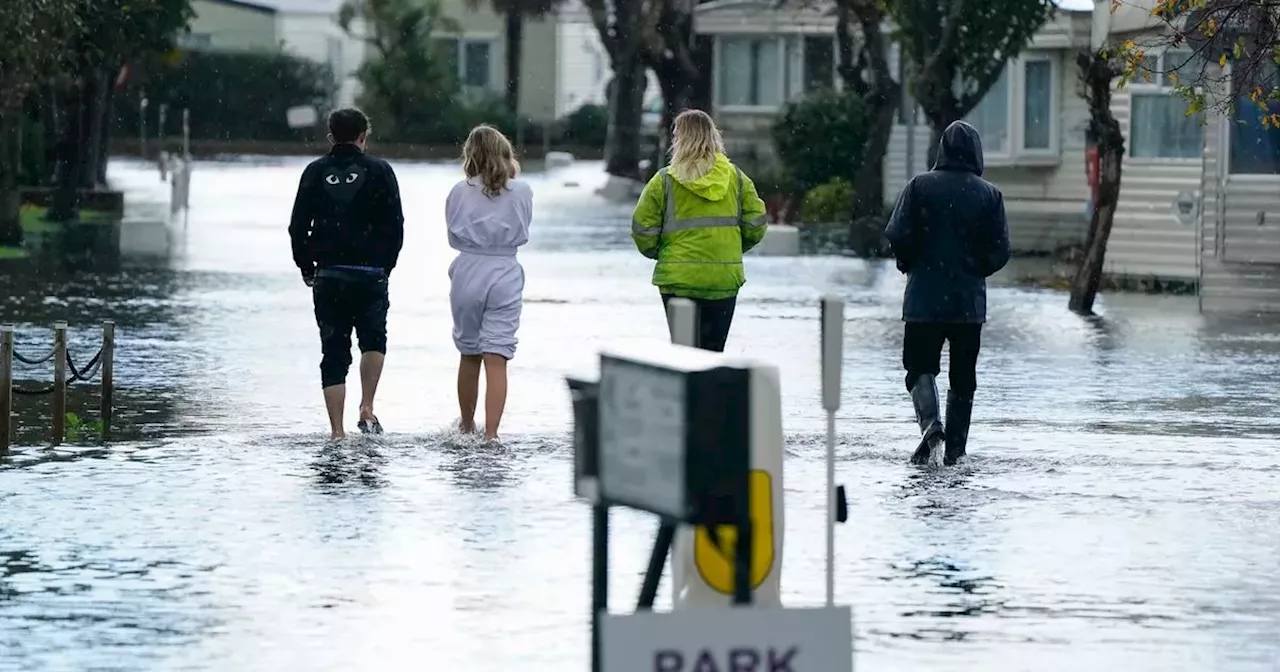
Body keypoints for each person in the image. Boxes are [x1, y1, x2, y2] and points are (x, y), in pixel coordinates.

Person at [884, 120, 1011, 467]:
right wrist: (974, 270)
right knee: (963, 378)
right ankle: (956, 452)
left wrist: (909, 262)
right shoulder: (989, 195)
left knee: (919, 367)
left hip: (924, 299)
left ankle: (931, 426)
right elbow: (1001, 250)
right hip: (968, 305)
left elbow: (897, 234)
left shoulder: (919, 187)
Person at [289, 108, 404, 440]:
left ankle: (337, 432)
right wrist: (385, 267)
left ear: (330, 138)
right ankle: (367, 406)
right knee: (373, 340)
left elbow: (297, 227)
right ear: (363, 137)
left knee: (334, 352)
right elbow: (395, 226)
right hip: (370, 273)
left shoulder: (314, 172)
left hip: (329, 276)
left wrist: (307, 266)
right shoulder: (381, 171)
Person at [630, 109, 768, 352]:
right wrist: (730, 248)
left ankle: (689, 390)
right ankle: (712, 390)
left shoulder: (664, 181)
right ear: (713, 137)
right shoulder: (737, 179)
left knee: (684, 354)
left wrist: (663, 254)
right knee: (713, 353)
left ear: (679, 140)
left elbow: (642, 228)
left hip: (678, 280)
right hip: (722, 280)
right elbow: (756, 224)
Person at [446, 125, 532, 442]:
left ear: (471, 154)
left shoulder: (458, 191)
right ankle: (492, 434)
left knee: (469, 353)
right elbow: (524, 229)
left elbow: (452, 235)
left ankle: (467, 427)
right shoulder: (521, 191)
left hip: (468, 268)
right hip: (505, 269)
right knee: (497, 358)